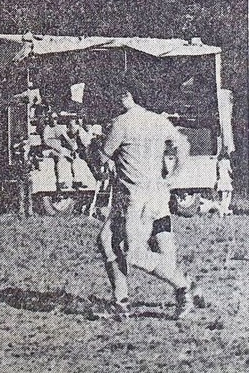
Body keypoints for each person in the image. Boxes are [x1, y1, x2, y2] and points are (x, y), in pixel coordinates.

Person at [100, 81, 199, 320]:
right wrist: (173, 177)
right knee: (105, 239)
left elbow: (103, 157)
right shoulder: (158, 121)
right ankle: (121, 303)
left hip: (134, 199)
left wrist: (96, 152)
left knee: (133, 254)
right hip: (157, 193)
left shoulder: (121, 123)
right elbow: (183, 146)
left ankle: (184, 286)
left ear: (126, 96)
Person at [216, 150, 233, 216]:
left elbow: (217, 171)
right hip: (226, 179)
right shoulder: (227, 162)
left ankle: (222, 211)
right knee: (228, 194)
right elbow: (230, 170)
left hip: (221, 179)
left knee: (223, 196)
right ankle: (225, 209)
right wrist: (232, 176)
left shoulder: (218, 162)